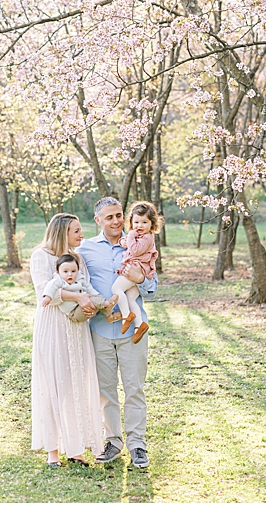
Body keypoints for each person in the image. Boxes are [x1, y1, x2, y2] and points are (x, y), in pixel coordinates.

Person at [78, 196, 157, 468]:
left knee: (135, 389)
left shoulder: (140, 240)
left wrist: (140, 279)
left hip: (134, 330)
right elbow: (75, 280)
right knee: (106, 390)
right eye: (109, 217)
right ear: (98, 220)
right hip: (100, 329)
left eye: (119, 215)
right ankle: (112, 441)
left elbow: (153, 287)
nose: (116, 221)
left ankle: (137, 445)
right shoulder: (86, 249)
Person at [30, 213, 104, 468]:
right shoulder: (41, 256)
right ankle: (52, 450)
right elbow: (44, 291)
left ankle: (75, 448)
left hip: (77, 327)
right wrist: (78, 299)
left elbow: (87, 288)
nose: (81, 235)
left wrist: (90, 305)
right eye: (76, 230)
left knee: (76, 384)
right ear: (62, 231)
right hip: (52, 325)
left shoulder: (78, 258)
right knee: (53, 382)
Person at [110, 201, 162, 343]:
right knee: (130, 298)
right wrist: (124, 241)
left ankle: (127, 315)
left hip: (136, 269)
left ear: (152, 224)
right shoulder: (139, 236)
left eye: (144, 222)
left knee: (116, 288)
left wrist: (131, 235)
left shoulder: (147, 237)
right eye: (136, 222)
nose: (139, 226)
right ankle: (139, 324)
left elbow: (135, 250)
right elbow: (127, 242)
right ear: (131, 222)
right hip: (136, 267)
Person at [42, 253, 121, 324]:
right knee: (94, 300)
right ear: (58, 272)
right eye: (65, 271)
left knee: (95, 298)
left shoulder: (80, 278)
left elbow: (89, 288)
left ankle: (110, 316)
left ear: (77, 270)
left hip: (83, 306)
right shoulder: (58, 280)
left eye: (73, 271)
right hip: (74, 313)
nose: (70, 274)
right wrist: (48, 297)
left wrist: (98, 296)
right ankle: (107, 304)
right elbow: (50, 287)